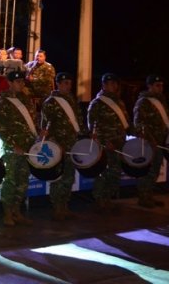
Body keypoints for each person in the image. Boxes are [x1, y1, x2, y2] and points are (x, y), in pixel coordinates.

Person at [0, 70, 38, 226]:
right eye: (17, 82)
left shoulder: (26, 101)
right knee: (10, 181)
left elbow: (33, 121)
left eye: (22, 82)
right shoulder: (2, 103)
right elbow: (0, 128)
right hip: (12, 149)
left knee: (23, 181)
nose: (21, 84)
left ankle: (17, 211)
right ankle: (7, 214)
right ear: (10, 83)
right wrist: (13, 145)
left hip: (27, 147)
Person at [41, 72, 87, 220]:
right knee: (59, 177)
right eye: (65, 83)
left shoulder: (72, 100)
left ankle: (65, 206)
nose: (68, 86)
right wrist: (54, 144)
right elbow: (45, 127)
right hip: (59, 145)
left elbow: (79, 122)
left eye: (69, 83)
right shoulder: (51, 102)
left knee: (69, 176)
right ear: (58, 84)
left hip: (72, 144)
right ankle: (57, 208)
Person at [87, 73, 132, 212]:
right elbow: (92, 126)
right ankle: (100, 200)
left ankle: (107, 199)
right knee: (104, 173)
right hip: (106, 145)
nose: (113, 86)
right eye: (110, 83)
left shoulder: (120, 102)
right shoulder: (97, 102)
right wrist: (104, 142)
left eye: (115, 83)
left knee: (115, 173)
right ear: (104, 85)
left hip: (119, 144)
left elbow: (125, 122)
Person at [133, 75, 168, 208]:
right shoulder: (144, 102)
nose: (160, 88)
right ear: (150, 86)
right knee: (148, 170)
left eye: (162, 85)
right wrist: (149, 140)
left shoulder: (161, 101)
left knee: (155, 170)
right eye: (157, 85)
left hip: (161, 142)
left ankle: (149, 196)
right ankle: (143, 197)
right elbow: (139, 124)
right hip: (150, 143)